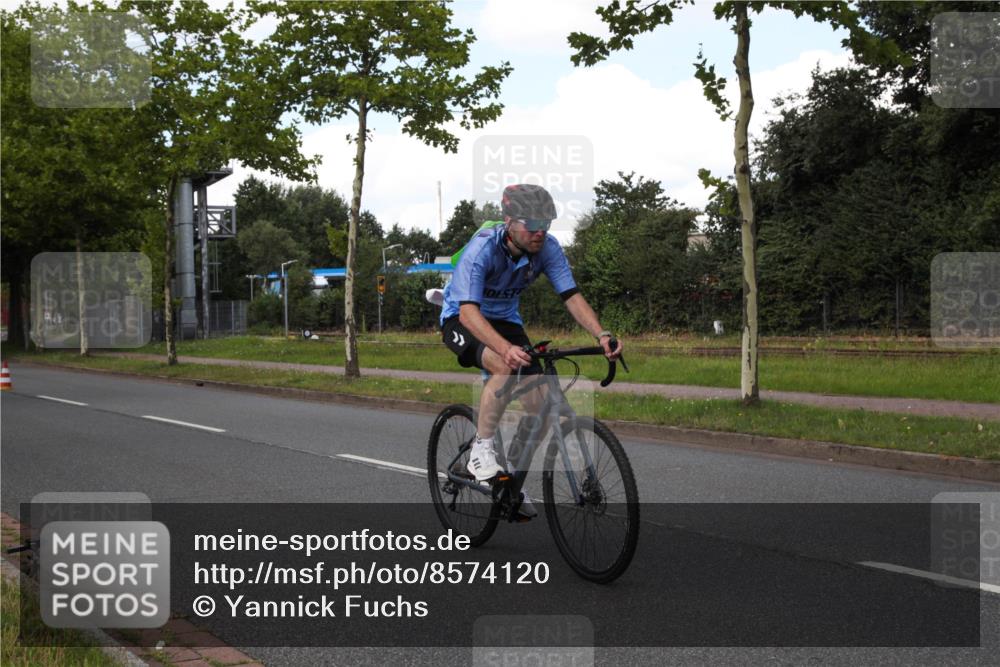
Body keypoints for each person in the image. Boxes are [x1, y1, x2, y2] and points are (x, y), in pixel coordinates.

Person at [439, 184, 622, 516]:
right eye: (532, 224)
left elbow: (572, 296)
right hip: (462, 317)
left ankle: (509, 483)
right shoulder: (482, 251)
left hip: (506, 319)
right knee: (503, 366)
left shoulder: (548, 249)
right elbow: (468, 312)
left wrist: (601, 334)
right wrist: (505, 348)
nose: (540, 232)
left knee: (539, 406)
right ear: (509, 220)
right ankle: (481, 448)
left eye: (547, 224)